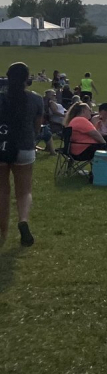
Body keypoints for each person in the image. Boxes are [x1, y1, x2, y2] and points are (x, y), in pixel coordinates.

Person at [0, 63, 43, 246]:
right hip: (25, 147)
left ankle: (2, 231)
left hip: (2, 147)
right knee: (24, 191)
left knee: (2, 190)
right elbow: (37, 126)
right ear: (27, 79)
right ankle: (23, 220)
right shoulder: (36, 99)